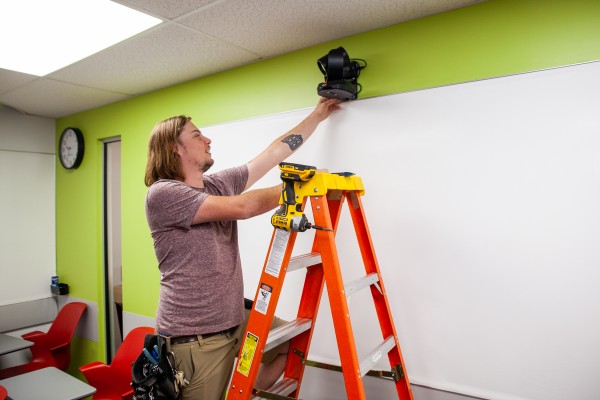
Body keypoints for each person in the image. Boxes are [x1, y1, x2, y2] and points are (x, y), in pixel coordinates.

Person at [144, 97, 341, 400]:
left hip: (234, 317)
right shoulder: (164, 194)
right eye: (197, 135)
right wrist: (299, 186)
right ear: (174, 147)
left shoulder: (216, 184)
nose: (207, 139)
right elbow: (245, 207)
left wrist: (317, 115)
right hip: (196, 338)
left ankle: (255, 384)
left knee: (296, 339)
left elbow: (273, 153)